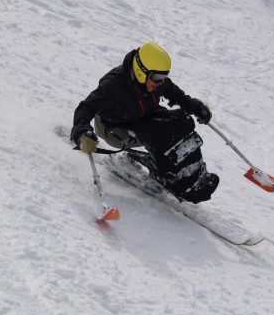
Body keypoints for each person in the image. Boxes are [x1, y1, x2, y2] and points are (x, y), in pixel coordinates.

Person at [71, 42, 219, 204]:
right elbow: (86, 107)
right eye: (157, 77)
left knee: (182, 120)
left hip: (144, 116)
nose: (160, 83)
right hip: (116, 127)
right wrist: (81, 131)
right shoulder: (114, 85)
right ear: (141, 71)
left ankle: (195, 172)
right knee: (159, 133)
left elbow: (174, 93)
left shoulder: (156, 81)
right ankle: (169, 177)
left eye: (164, 77)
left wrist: (195, 107)